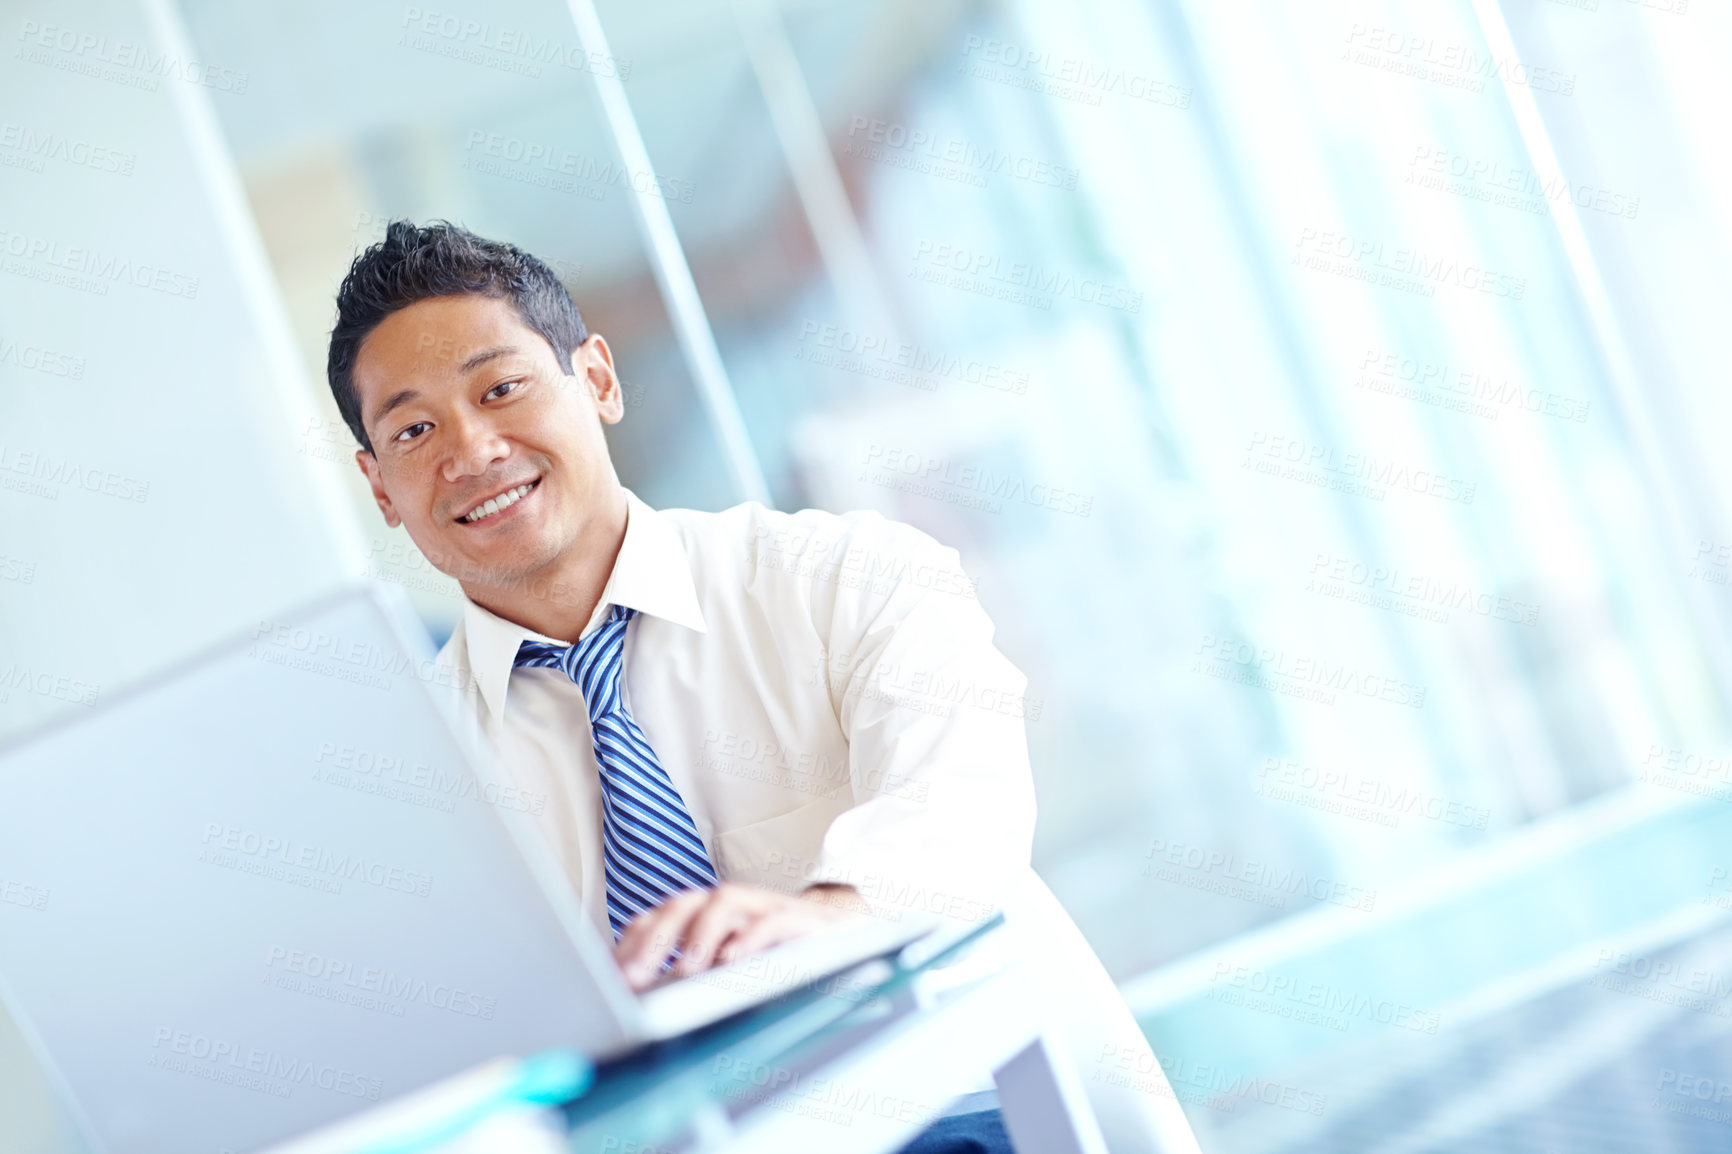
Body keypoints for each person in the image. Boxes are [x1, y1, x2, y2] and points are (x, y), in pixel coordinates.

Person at [326, 220, 1200, 1154]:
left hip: (954, 1117)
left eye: (501, 389)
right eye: (413, 429)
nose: (469, 450)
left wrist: (821, 918)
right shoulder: (416, 775)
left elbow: (962, 805)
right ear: (380, 488)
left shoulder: (846, 578)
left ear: (599, 381)